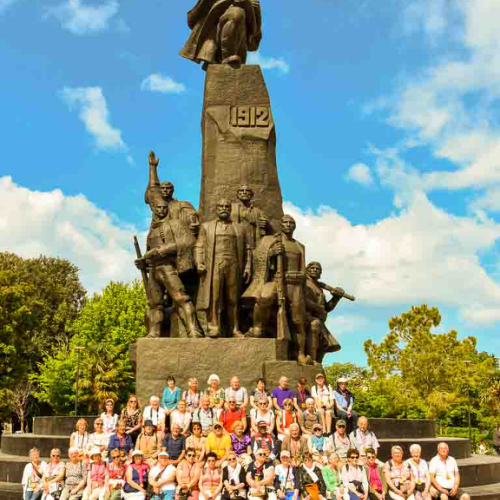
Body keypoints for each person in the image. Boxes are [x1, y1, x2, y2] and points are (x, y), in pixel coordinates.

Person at [136, 185, 201, 339]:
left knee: (181, 298)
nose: (161, 210)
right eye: (158, 208)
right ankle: (154, 332)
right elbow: (149, 252)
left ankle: (194, 330)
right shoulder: (152, 230)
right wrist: (143, 262)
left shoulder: (175, 224)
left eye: (164, 208)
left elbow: (188, 241)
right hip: (154, 270)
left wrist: (164, 249)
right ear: (153, 209)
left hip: (168, 267)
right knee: (154, 304)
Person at [243, 215, 309, 363]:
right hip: (276, 280)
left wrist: (300, 276)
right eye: (285, 222)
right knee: (264, 297)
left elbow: (303, 269)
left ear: (294, 226)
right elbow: (258, 257)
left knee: (298, 320)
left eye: (291, 222)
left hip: (294, 285)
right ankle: (257, 328)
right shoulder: (272, 241)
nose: (288, 225)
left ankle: (300, 353)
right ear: (281, 225)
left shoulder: (300, 246)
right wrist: (271, 254)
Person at [195, 199, 251, 338]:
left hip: (233, 264)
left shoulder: (240, 228)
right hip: (214, 264)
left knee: (233, 299)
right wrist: (199, 262)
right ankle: (214, 326)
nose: (224, 208)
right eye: (221, 206)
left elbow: (248, 249)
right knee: (215, 297)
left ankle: (235, 329)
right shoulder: (206, 227)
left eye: (227, 206)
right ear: (216, 209)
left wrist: (248, 266)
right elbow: (199, 246)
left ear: (230, 209)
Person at [179, 0, 262, 68]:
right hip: (214, 43)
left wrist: (247, 6)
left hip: (239, 45)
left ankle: (229, 57)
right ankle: (227, 56)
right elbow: (192, 19)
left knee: (237, 12)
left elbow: (254, 31)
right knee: (236, 13)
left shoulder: (252, 3)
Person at [304, 261, 344, 363]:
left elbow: (326, 308)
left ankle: (317, 364)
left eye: (318, 269)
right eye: (312, 268)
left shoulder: (319, 288)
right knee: (315, 325)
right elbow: (302, 299)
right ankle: (311, 358)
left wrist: (336, 298)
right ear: (307, 270)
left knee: (324, 344)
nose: (315, 270)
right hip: (305, 316)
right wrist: (318, 308)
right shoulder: (304, 283)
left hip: (319, 319)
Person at [230, 184, 271, 250]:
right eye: (242, 190)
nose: (244, 192)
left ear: (251, 195)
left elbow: (270, 230)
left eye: (247, 191)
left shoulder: (258, 212)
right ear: (237, 195)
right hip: (236, 244)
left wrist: (266, 225)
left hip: (252, 245)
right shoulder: (231, 209)